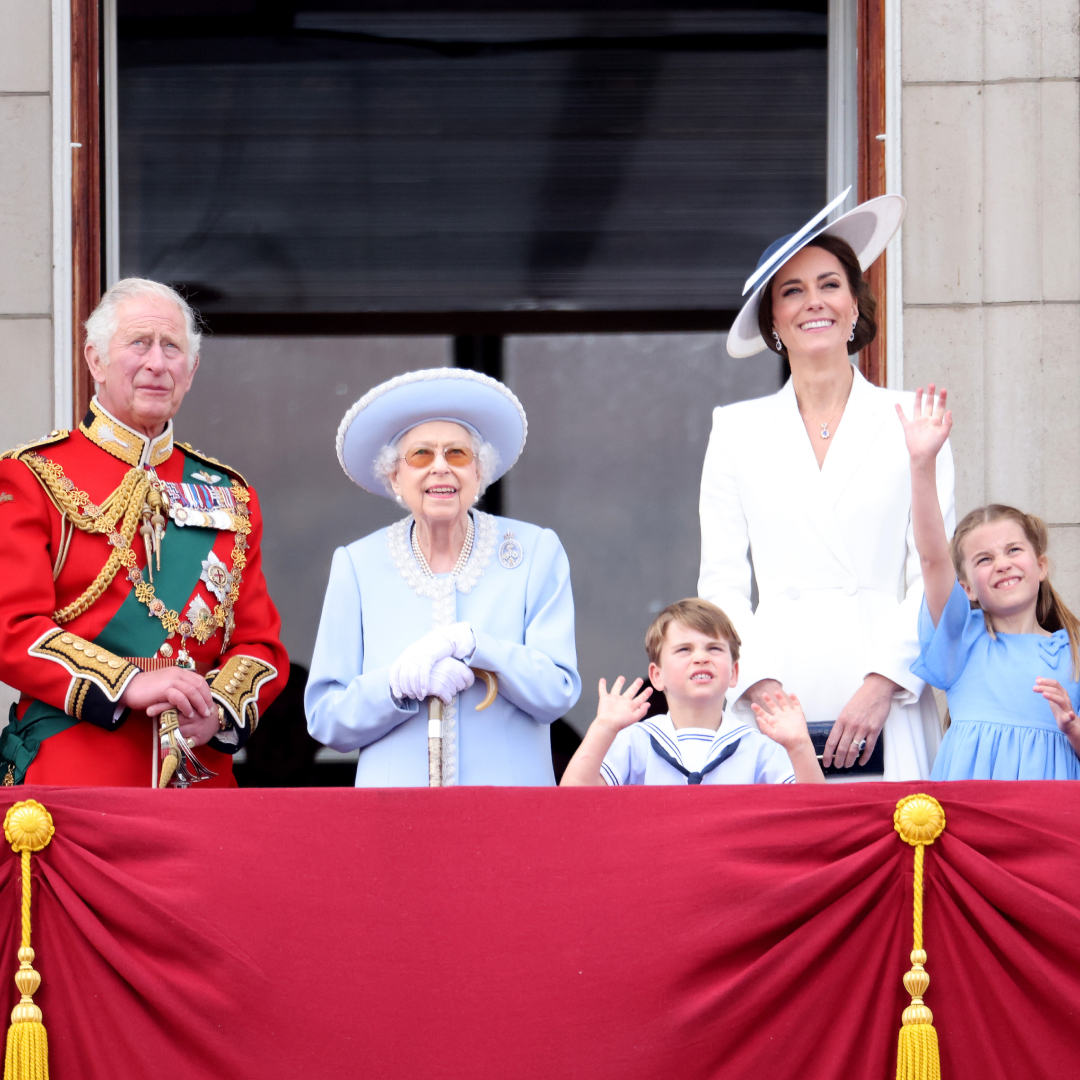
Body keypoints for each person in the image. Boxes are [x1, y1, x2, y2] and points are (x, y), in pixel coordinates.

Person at [699, 191, 955, 781]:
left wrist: (884, 682)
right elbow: (722, 582)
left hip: (885, 689)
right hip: (775, 691)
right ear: (773, 322)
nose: (813, 302)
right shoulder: (734, 430)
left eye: (829, 284)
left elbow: (931, 574)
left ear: (855, 306)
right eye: (792, 291)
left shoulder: (915, 417)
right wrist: (760, 683)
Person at [0, 278, 288, 786]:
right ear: (95, 361)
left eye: (172, 347)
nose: (157, 363)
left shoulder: (230, 493)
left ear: (191, 370)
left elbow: (259, 645)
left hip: (200, 781)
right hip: (75, 775)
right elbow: (12, 627)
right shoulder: (32, 476)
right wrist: (127, 684)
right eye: (139, 343)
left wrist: (218, 709)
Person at [305, 368, 581, 786]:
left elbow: (556, 692)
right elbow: (327, 720)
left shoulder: (534, 552)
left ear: (479, 474)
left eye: (457, 454)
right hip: (393, 815)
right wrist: (396, 686)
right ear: (395, 476)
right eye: (420, 455)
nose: (440, 468)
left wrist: (477, 646)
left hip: (509, 812)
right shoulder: (357, 565)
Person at [899, 386, 1080, 780]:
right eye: (984, 559)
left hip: (1048, 821)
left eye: (1014, 550)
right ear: (966, 588)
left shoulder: (1075, 651)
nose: (1002, 564)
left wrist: (1072, 730)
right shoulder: (961, 638)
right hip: (970, 820)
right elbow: (932, 558)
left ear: (1041, 565)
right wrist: (921, 464)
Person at [560, 598, 824, 786]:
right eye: (684, 649)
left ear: (733, 673)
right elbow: (572, 798)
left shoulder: (758, 747)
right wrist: (603, 727)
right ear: (657, 675)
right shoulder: (636, 741)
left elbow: (813, 815)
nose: (701, 657)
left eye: (714, 648)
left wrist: (800, 746)